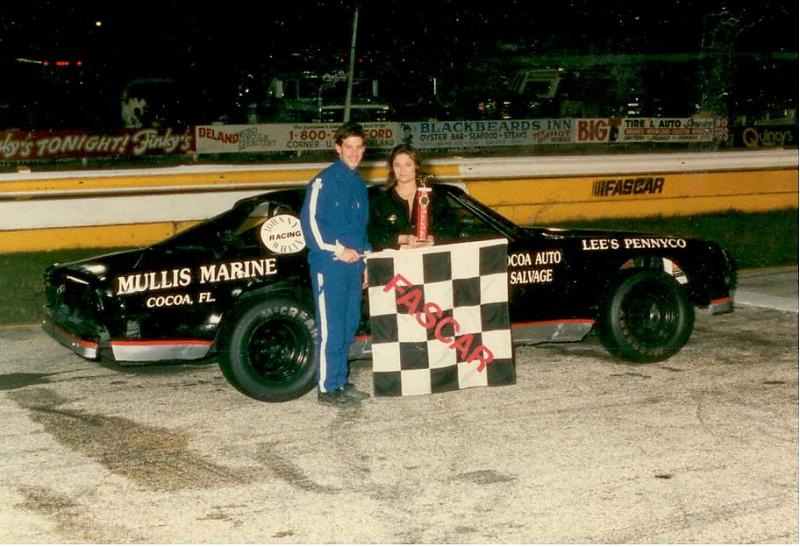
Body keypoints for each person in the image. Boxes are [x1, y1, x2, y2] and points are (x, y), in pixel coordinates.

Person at [300, 121, 372, 406]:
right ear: (338, 148)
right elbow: (310, 225)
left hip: (354, 267)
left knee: (348, 325)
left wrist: (366, 262)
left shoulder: (360, 184)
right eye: (348, 147)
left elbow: (361, 229)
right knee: (331, 328)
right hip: (329, 265)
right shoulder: (323, 182)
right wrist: (338, 250)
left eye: (358, 147)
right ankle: (328, 388)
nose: (353, 152)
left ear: (364, 150)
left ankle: (341, 381)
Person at [368, 144, 457, 251]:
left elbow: (451, 228)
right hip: (397, 259)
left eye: (408, 165)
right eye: (397, 165)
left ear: (416, 166)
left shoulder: (435, 197)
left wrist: (434, 239)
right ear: (392, 168)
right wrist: (403, 239)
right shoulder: (380, 201)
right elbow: (373, 235)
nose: (402, 170)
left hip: (430, 257)